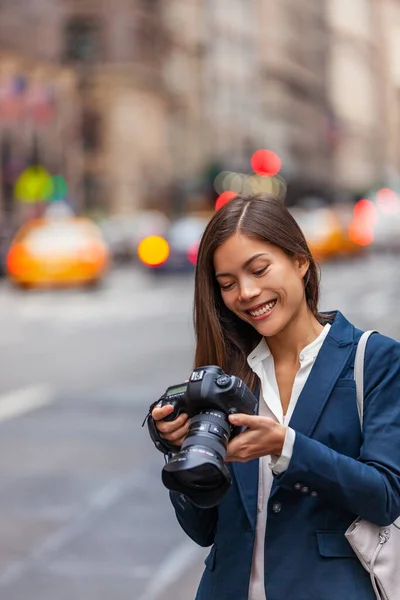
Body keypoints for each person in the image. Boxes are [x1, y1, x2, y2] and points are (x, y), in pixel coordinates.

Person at [151, 193, 400, 600]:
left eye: (259, 270)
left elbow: (386, 495)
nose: (246, 293)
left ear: (300, 261)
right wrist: (178, 452)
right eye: (227, 284)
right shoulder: (226, 377)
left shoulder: (373, 359)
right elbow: (203, 531)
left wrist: (288, 448)